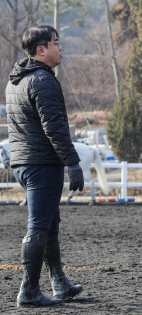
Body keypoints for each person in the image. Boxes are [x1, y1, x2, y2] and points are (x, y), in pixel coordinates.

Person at [5, 25, 85, 308]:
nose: (60, 48)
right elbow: (55, 128)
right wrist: (73, 162)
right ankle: (28, 292)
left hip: (24, 163)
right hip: (41, 164)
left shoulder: (15, 80)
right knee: (38, 226)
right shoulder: (43, 80)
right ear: (41, 50)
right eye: (56, 43)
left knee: (50, 224)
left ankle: (60, 283)